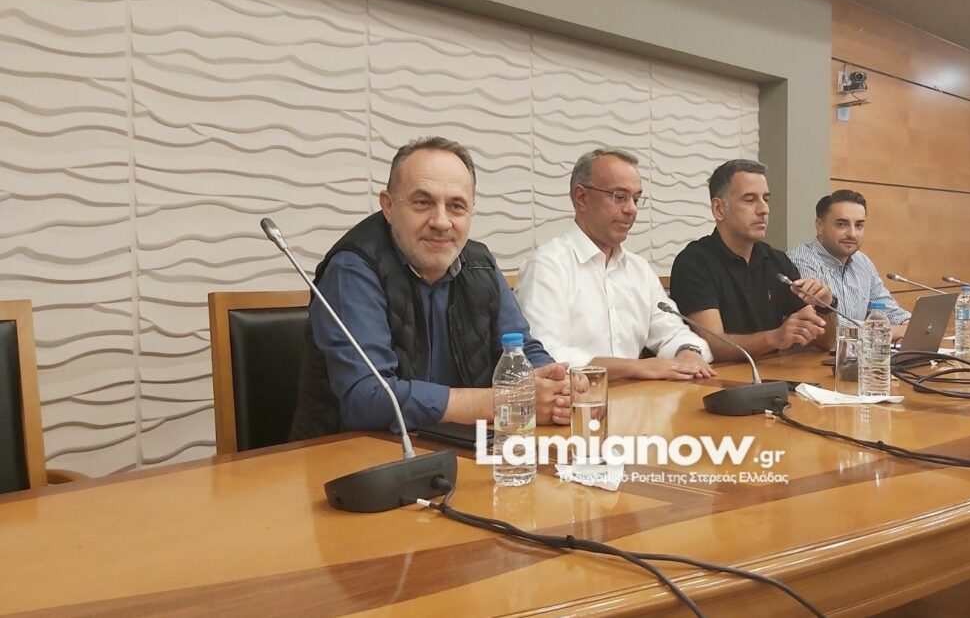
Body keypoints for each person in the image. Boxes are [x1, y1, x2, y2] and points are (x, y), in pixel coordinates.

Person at [290, 136, 569, 441]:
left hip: (457, 446)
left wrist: (555, 385)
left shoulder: (480, 265)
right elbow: (368, 398)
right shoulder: (353, 269)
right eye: (422, 203)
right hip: (354, 454)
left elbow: (521, 349)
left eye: (456, 206)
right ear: (388, 206)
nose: (441, 221)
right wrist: (504, 402)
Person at [515, 149, 715, 381]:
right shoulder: (547, 266)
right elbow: (544, 357)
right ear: (581, 198)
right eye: (619, 197)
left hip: (637, 397)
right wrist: (635, 367)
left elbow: (673, 332)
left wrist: (688, 352)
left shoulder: (639, 270)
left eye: (636, 199)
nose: (631, 209)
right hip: (573, 399)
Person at [670, 160, 836, 361]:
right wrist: (775, 338)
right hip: (719, 376)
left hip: (771, 373)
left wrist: (825, 305)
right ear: (719, 209)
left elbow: (824, 342)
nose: (763, 209)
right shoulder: (694, 262)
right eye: (750, 200)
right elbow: (714, 345)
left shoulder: (776, 261)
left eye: (766, 199)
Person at [786, 189, 910, 341]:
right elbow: (826, 328)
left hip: (857, 354)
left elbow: (887, 309)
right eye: (842, 224)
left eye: (859, 225)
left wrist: (909, 324)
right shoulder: (800, 261)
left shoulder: (863, 262)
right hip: (813, 355)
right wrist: (890, 331)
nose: (852, 233)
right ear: (819, 225)